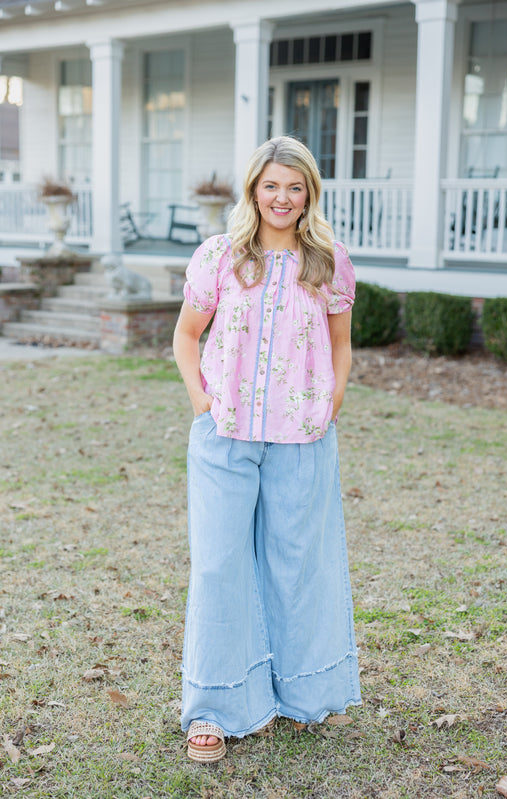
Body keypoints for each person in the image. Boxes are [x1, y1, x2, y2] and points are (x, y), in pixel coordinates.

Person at [173, 135, 361, 763]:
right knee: (221, 566)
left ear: (310, 193)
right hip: (225, 439)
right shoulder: (220, 257)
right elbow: (185, 337)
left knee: (294, 568)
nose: (283, 198)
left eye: (296, 186)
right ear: (254, 188)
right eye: (272, 185)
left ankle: (299, 694)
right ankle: (213, 709)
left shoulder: (328, 261)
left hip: (302, 440)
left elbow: (340, 345)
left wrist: (328, 406)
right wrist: (205, 406)